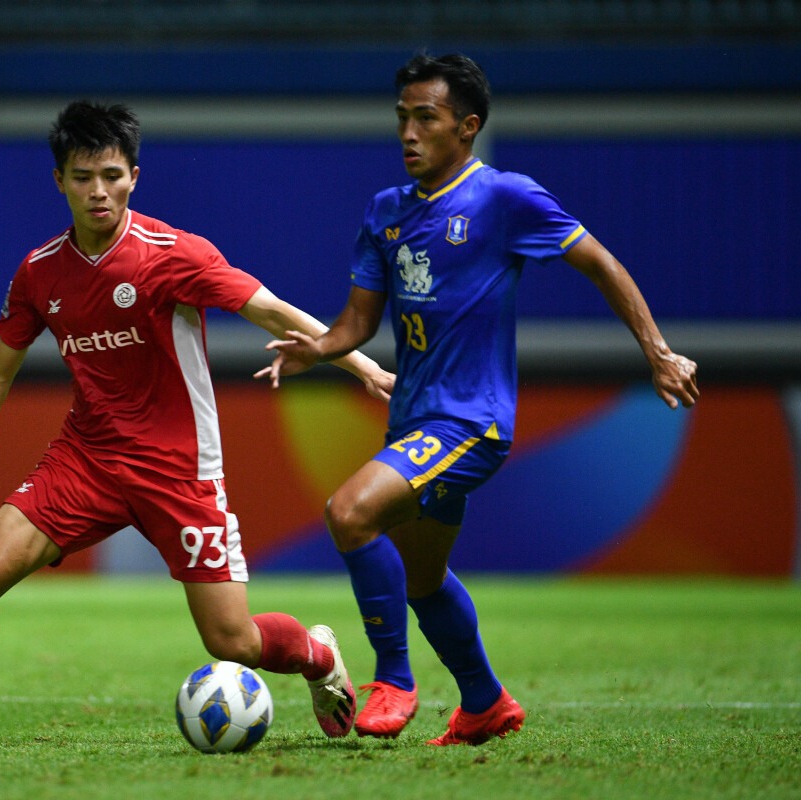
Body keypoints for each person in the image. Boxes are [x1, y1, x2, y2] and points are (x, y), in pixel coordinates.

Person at [0, 100, 395, 744]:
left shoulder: (172, 253)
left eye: (112, 175)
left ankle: (317, 655)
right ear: (59, 181)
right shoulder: (40, 273)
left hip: (179, 467)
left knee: (231, 640)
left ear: (134, 176)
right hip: (87, 458)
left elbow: (272, 310)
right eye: (82, 176)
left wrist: (364, 368)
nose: (99, 191)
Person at [259, 53, 699, 746]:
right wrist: (318, 348)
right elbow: (357, 325)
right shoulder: (385, 213)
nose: (408, 132)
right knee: (425, 578)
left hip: (471, 422)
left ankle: (394, 679)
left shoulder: (505, 199)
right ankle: (485, 702)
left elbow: (601, 263)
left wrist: (658, 352)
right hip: (412, 424)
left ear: (466, 127)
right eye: (402, 117)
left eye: (425, 118)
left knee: (348, 513)